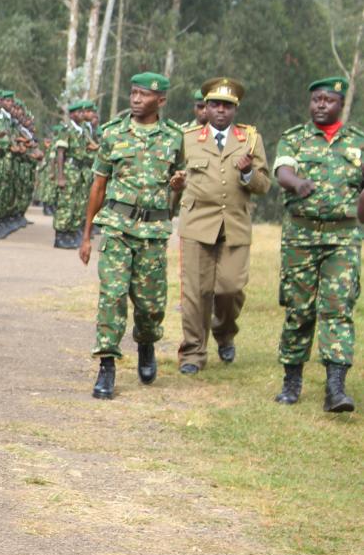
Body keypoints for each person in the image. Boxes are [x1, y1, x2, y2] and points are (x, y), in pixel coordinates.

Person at [79, 72, 185, 399]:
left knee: (150, 305)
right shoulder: (112, 134)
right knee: (112, 295)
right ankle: (106, 366)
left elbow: (175, 195)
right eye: (133, 92)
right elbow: (98, 186)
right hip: (117, 226)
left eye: (144, 94)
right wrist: (86, 235)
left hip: (153, 232)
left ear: (161, 100)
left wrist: (178, 189)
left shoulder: (175, 138)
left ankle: (147, 342)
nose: (136, 99)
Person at [272, 77, 364, 411]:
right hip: (302, 236)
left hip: (343, 237)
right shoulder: (294, 138)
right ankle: (292, 379)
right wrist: (297, 184)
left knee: (338, 308)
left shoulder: (358, 142)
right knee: (299, 309)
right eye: (315, 100)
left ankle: (335, 388)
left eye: (327, 100)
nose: (320, 105)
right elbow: (282, 171)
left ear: (341, 104)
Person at [177, 77, 270, 374]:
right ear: (205, 107)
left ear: (235, 109)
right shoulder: (187, 138)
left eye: (227, 106)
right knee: (195, 293)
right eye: (214, 104)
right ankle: (193, 353)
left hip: (234, 224)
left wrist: (247, 174)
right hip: (196, 224)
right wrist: (175, 186)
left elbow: (264, 184)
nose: (220, 111)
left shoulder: (251, 139)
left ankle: (224, 332)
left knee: (230, 288)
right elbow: (173, 176)